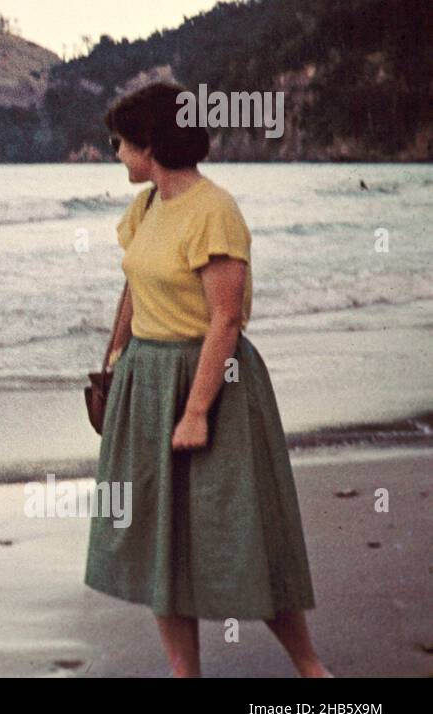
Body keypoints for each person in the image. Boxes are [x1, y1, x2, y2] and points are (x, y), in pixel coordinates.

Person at [84, 82, 329, 677]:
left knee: (240, 530)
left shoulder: (214, 210)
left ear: (150, 144)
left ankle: (311, 669)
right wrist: (114, 357)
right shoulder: (145, 208)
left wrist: (196, 410)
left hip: (210, 382)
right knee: (154, 538)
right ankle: (184, 673)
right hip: (146, 379)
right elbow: (132, 284)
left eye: (120, 142)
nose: (115, 153)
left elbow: (224, 319)